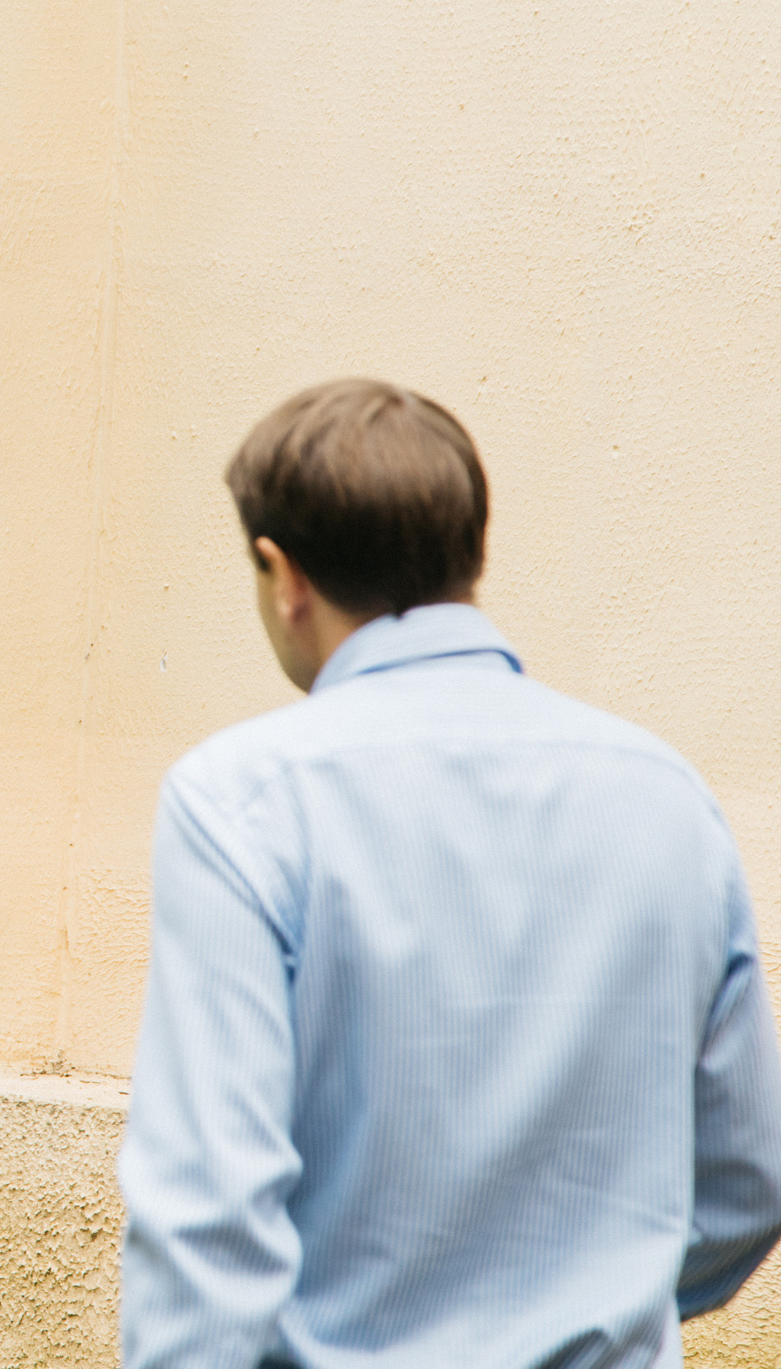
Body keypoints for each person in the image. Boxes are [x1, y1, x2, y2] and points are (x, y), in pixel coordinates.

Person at [119, 378, 781, 1368]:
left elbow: (209, 1221)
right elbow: (746, 1178)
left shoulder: (240, 801)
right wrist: (591, 1299)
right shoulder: (666, 796)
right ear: (466, 556)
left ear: (281, 574)